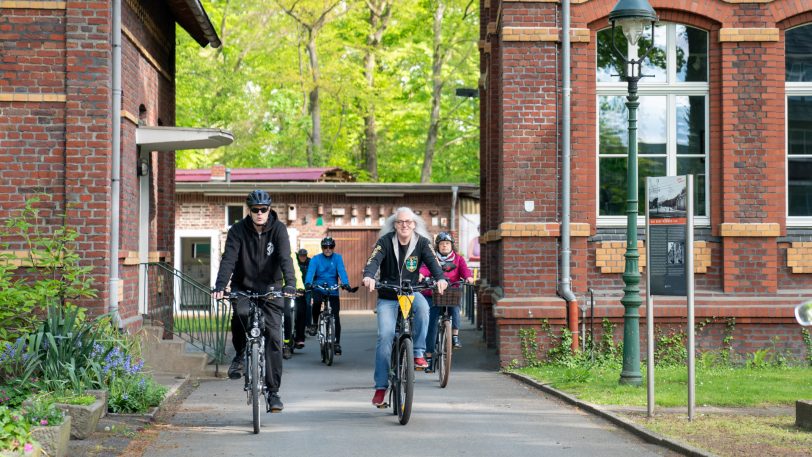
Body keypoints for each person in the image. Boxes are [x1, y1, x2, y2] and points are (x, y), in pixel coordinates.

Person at [211, 190, 296, 413]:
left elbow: (285, 258)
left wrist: (290, 284)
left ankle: (273, 392)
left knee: (274, 338)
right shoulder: (238, 230)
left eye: (263, 209)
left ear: (269, 209)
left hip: (271, 288)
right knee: (240, 314)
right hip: (243, 286)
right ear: (249, 210)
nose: (260, 213)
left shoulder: (279, 230)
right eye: (255, 210)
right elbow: (228, 258)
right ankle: (240, 354)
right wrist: (221, 286)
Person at [361, 207, 448, 407]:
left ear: (414, 224)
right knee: (385, 336)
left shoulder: (422, 243)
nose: (404, 225)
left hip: (410, 292)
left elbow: (435, 264)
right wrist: (368, 275)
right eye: (400, 222)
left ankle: (418, 351)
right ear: (395, 224)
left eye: (408, 222)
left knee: (424, 308)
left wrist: (441, 279)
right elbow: (373, 260)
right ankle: (381, 387)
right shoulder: (385, 242)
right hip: (388, 296)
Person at [419, 232, 475, 372]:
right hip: (433, 294)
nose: (444, 246)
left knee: (455, 308)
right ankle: (430, 356)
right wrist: (421, 275)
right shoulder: (431, 258)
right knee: (431, 324)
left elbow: (465, 270)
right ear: (437, 246)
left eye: (447, 244)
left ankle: (455, 336)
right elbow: (425, 268)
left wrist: (468, 277)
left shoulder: (458, 259)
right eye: (442, 244)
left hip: (451, 293)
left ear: (452, 246)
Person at [305, 236, 351, 356]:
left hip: (332, 289)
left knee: (335, 316)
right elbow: (310, 272)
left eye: (331, 246)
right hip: (318, 287)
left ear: (333, 247)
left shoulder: (337, 258)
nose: (328, 249)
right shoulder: (315, 259)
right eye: (325, 247)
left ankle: (336, 343)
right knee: (316, 303)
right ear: (322, 247)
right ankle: (315, 323)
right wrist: (308, 283)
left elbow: (342, 271)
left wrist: (345, 283)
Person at [294, 248, 311, 348]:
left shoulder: (310, 262)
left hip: (305, 289)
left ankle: (307, 326)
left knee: (307, 307)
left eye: (304, 255)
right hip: (292, 290)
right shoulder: (294, 262)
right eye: (301, 255)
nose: (302, 257)